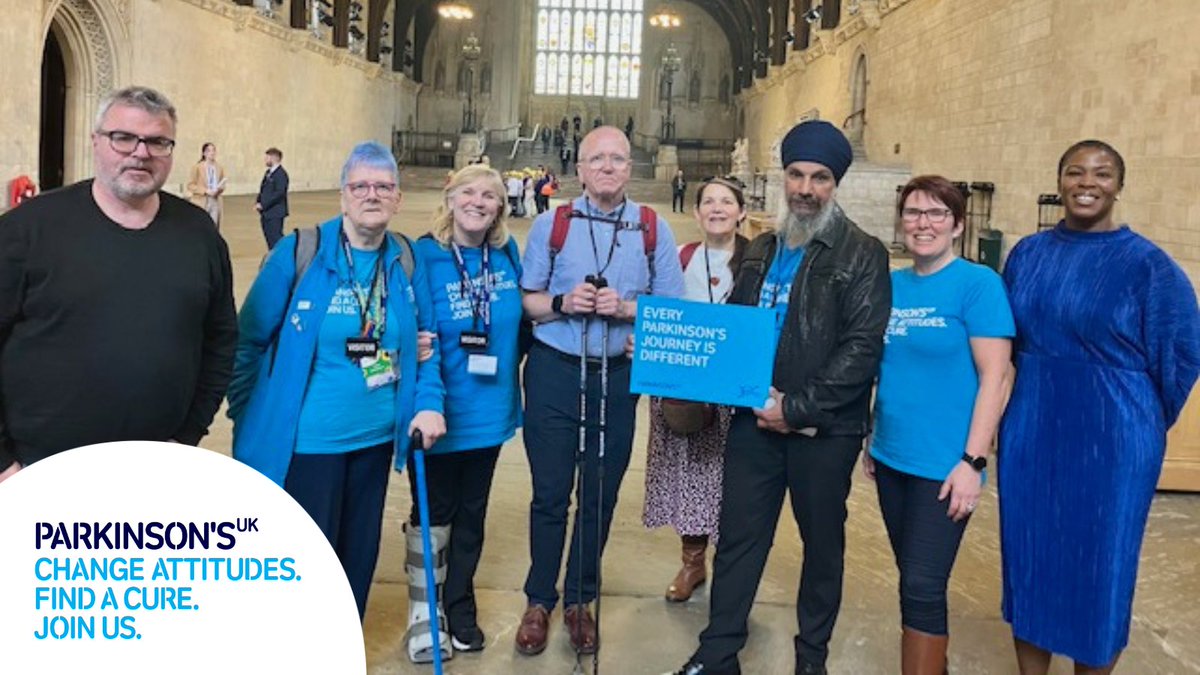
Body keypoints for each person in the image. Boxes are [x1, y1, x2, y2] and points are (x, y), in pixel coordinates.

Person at [670, 120, 891, 675]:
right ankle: (718, 653)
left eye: (819, 177)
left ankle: (810, 659)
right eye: (796, 174)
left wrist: (793, 409)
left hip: (822, 432)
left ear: (833, 184)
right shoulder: (763, 249)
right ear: (783, 178)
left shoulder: (862, 253)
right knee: (741, 540)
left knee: (821, 547)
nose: (805, 188)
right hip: (752, 424)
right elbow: (738, 330)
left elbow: (860, 351)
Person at [998, 140, 1200, 675]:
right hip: (1034, 427)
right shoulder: (1028, 254)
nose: (1088, 183)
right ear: (1059, 181)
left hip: (1114, 439)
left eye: (1102, 173)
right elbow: (1004, 340)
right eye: (1075, 172)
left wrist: (1142, 422)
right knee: (1031, 555)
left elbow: (1181, 353)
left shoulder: (1148, 266)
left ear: (1119, 185)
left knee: (1100, 568)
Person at [227, 141, 447, 622]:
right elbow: (248, 343)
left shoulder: (408, 260)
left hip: (374, 443)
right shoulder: (300, 251)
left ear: (398, 198)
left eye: (383, 186)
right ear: (343, 196)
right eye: (361, 186)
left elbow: (427, 347)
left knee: (355, 563)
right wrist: (251, 419)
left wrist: (428, 403)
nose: (372, 195)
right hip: (306, 446)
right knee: (303, 567)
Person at [0, 85, 236, 483]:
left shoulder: (199, 234)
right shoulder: (26, 230)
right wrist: (4, 464)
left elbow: (221, 339)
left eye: (157, 141)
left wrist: (188, 432)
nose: (140, 152)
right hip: (37, 471)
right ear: (96, 141)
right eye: (123, 137)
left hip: (154, 469)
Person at [516, 126, 685, 657]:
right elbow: (529, 300)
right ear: (581, 168)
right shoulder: (551, 225)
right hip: (554, 371)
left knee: (599, 494)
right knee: (549, 493)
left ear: (629, 167)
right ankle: (539, 599)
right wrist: (565, 303)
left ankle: (580, 601)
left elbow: (671, 312)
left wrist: (627, 309)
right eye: (597, 159)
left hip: (615, 378)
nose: (608, 168)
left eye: (617, 159)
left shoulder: (653, 228)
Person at [861, 175, 1014, 674]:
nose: (923, 223)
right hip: (890, 456)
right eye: (913, 213)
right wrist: (870, 435)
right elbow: (882, 368)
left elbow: (996, 377)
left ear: (958, 224)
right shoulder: (892, 283)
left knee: (923, 585)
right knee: (912, 577)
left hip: (945, 465)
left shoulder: (978, 285)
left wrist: (973, 460)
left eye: (936, 214)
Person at [408, 164, 524, 655]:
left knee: (472, 514)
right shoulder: (423, 255)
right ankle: (424, 610)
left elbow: (520, 326)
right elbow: (415, 333)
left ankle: (460, 603)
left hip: (489, 413)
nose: (478, 202)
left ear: (501, 206)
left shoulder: (506, 253)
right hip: (439, 411)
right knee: (433, 514)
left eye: (490, 196)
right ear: (450, 197)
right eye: (469, 193)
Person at [642, 176, 749, 603]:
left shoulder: (757, 261)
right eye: (709, 202)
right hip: (687, 388)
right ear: (696, 211)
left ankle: (735, 565)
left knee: (738, 478)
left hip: (736, 390)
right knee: (690, 475)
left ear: (742, 212)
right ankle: (692, 562)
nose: (717, 209)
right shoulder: (681, 257)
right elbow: (660, 310)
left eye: (727, 202)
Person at [255, 146, 289, 249]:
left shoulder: (281, 174)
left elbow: (279, 193)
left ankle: (281, 258)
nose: (265, 160)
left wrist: (264, 204)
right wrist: (258, 201)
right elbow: (263, 189)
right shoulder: (268, 173)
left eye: (267, 158)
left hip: (275, 213)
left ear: (274, 158)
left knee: (276, 239)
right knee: (269, 239)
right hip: (266, 213)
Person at [186, 141, 226, 227]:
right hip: (201, 200)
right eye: (209, 150)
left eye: (213, 150)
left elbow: (222, 184)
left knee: (213, 226)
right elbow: (190, 185)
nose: (212, 153)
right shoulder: (197, 167)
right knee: (201, 226)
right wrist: (205, 191)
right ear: (204, 153)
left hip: (215, 200)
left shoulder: (219, 167)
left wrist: (220, 189)